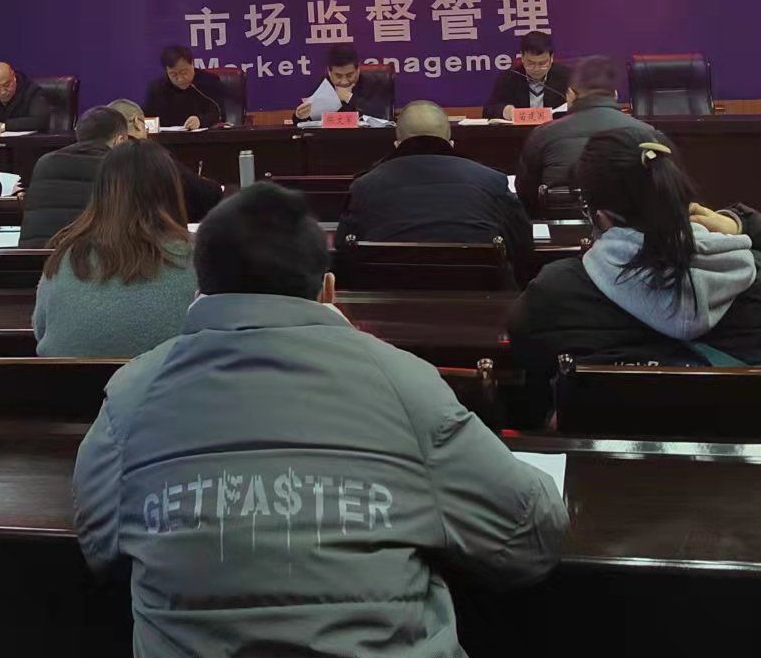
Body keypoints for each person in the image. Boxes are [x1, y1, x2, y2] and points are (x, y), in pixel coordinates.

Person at [73, 182, 566, 657]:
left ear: (200, 289)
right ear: (328, 290)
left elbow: (98, 545)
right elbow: (530, 533)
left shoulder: (132, 393)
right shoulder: (404, 381)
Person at [506, 129, 761, 374]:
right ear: (674, 194)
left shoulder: (554, 294)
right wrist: (743, 224)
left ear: (598, 215)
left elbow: (528, 364)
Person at [33, 141, 196, 358]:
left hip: (67, 380)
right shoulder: (196, 258)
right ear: (173, 191)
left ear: (101, 192)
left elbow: (41, 329)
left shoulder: (67, 255)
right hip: (168, 379)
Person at [337, 101, 533, 269]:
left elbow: (344, 250)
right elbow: (523, 246)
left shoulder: (364, 187)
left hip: (384, 297)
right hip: (483, 295)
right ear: (451, 143)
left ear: (397, 144)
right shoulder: (492, 182)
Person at [515, 55, 656, 214]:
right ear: (615, 95)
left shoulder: (542, 134)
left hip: (558, 224)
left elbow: (525, 195)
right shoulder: (646, 133)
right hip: (628, 223)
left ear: (570, 95)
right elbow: (659, 190)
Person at [20, 106, 128, 248]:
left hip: (34, 256)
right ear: (119, 140)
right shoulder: (118, 167)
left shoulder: (45, 162)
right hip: (88, 257)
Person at [108, 98, 223, 222]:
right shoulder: (153, 158)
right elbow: (207, 193)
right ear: (137, 122)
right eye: (145, 125)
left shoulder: (102, 160)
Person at [483, 31, 571, 120]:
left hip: (555, 128)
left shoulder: (567, 77)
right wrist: (506, 111)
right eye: (530, 63)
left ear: (551, 58)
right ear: (522, 57)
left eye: (542, 63)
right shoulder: (509, 77)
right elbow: (488, 111)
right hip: (520, 129)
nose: (536, 68)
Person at [294, 43, 392, 121]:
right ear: (329, 72)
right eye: (338, 76)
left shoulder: (374, 83)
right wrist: (299, 116)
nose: (344, 81)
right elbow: (304, 119)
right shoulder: (325, 84)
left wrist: (349, 97)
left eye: (349, 75)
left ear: (357, 70)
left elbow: (381, 115)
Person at [144, 45, 226, 130]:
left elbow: (219, 114)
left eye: (184, 72)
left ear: (192, 64)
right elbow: (148, 117)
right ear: (167, 71)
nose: (180, 79)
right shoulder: (157, 88)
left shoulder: (209, 81)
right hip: (168, 137)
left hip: (204, 136)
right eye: (173, 74)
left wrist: (200, 120)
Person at [0, 61, 51, 133]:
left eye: (7, 85)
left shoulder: (31, 90)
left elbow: (40, 121)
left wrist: (4, 126)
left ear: (14, 77)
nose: (3, 92)